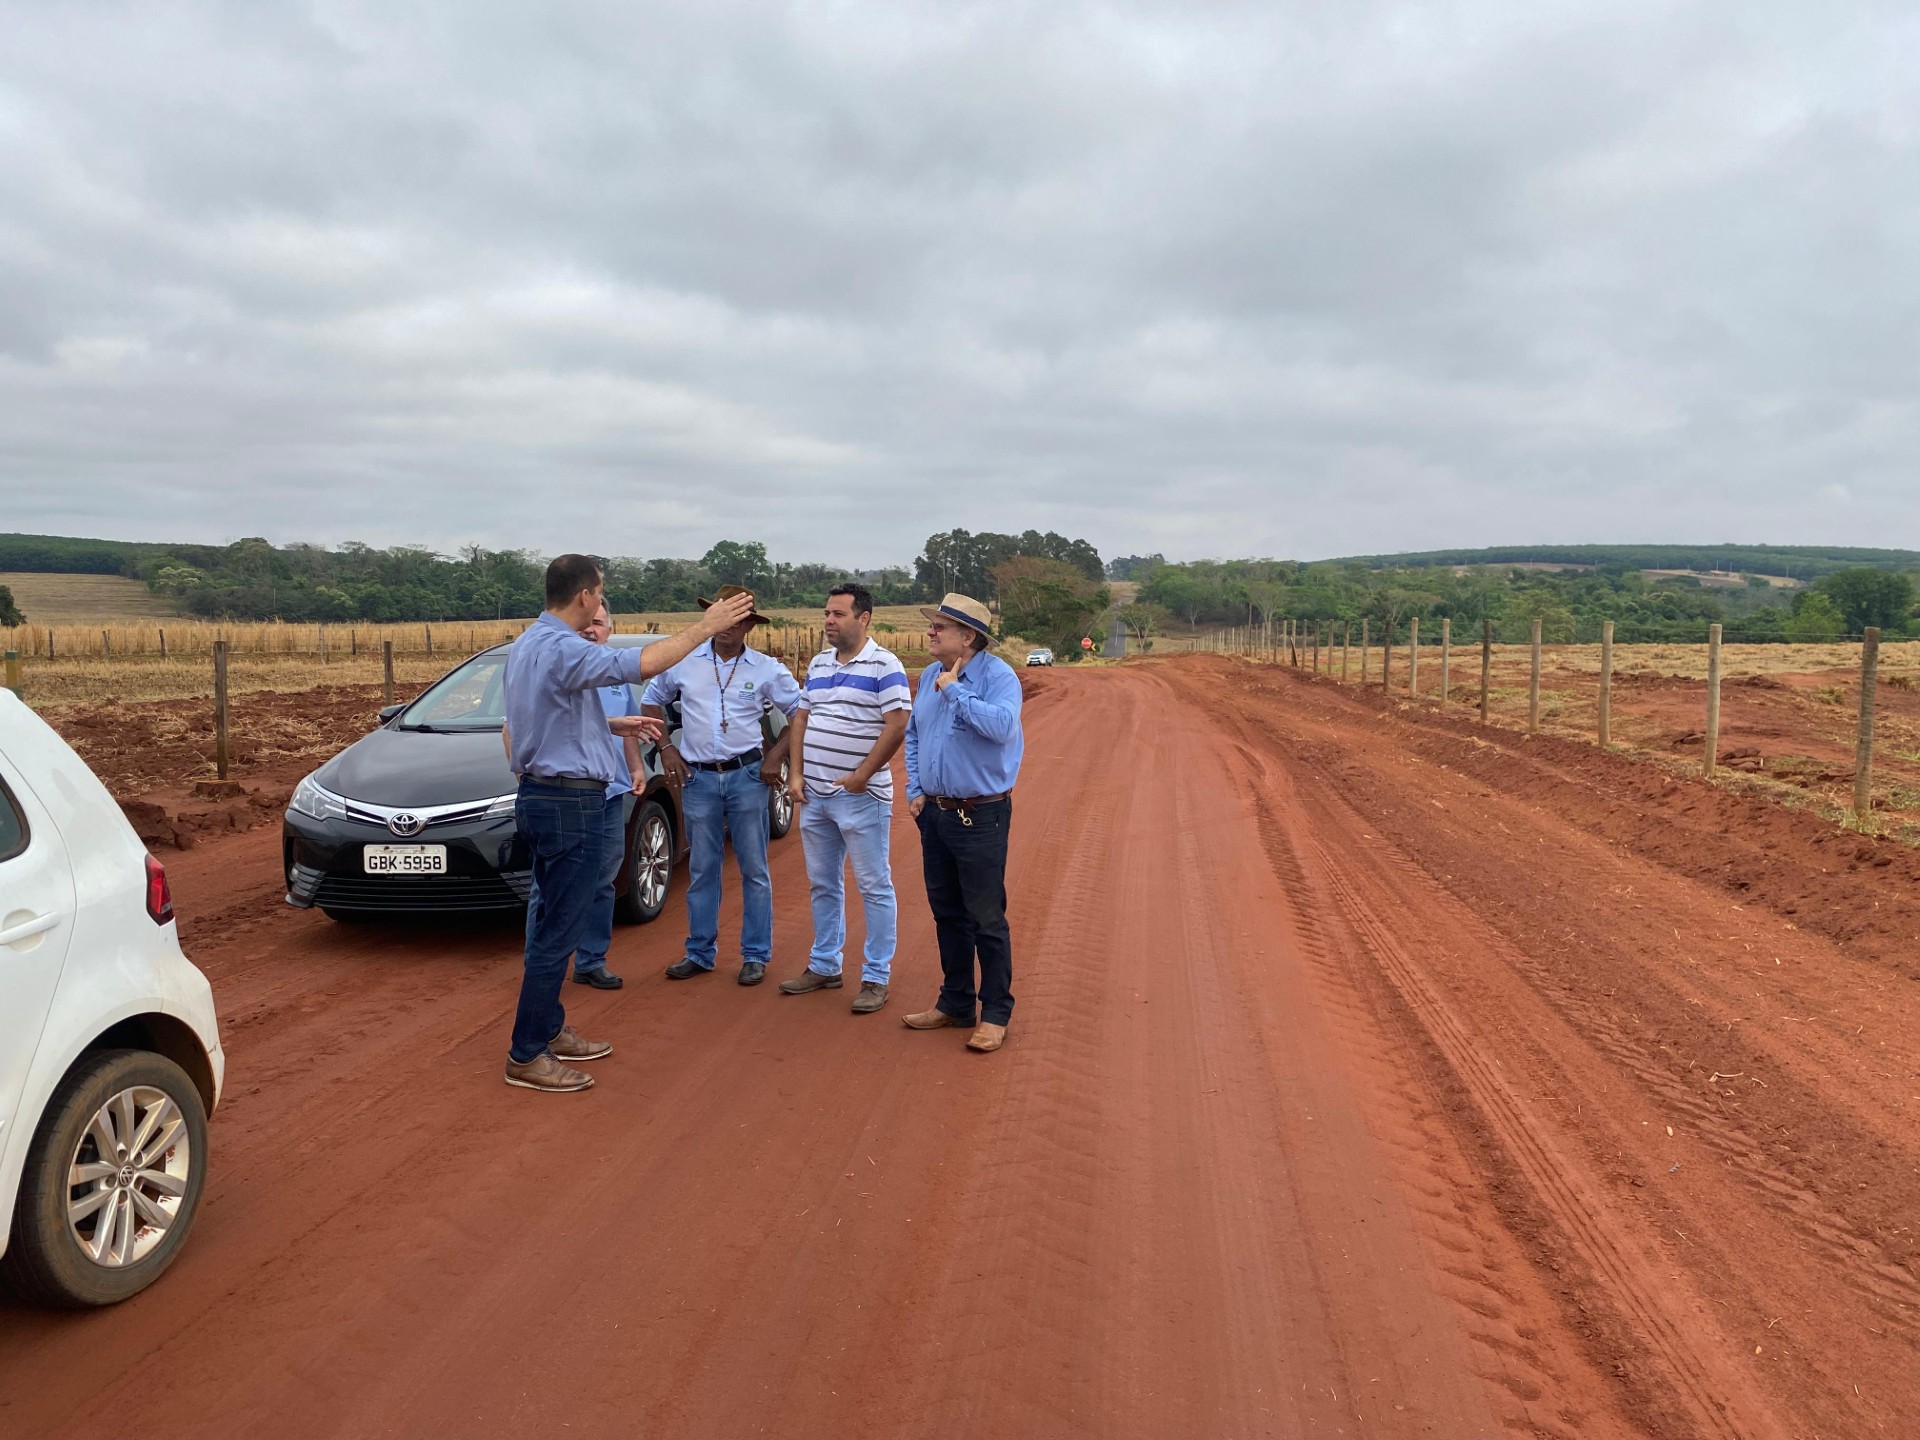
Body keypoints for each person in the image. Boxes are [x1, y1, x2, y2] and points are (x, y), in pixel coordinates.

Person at [501, 555, 753, 1094]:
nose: (599, 601)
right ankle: (526, 1052)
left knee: (551, 918)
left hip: (546, 795)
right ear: (585, 595)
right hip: (567, 802)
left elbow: (546, 714)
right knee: (559, 927)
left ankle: (548, 1028)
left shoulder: (528, 644)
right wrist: (706, 627)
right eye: (599, 592)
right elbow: (640, 664)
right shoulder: (563, 646)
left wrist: (611, 722)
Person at [643, 585, 802, 986]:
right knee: (702, 869)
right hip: (697, 778)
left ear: (749, 625)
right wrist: (666, 748)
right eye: (721, 613)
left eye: (736, 618)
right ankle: (699, 952)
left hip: (747, 777)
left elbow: (801, 712)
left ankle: (755, 955)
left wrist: (776, 756)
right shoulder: (684, 661)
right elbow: (651, 700)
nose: (727, 625)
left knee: (754, 869)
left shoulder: (766, 669)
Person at [778, 583, 911, 1014]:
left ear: (863, 618)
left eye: (838, 614)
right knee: (823, 883)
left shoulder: (884, 664)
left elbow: (897, 724)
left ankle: (876, 976)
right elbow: (801, 719)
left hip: (861, 797)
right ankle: (824, 965)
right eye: (826, 613)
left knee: (874, 886)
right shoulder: (818, 663)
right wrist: (796, 774)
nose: (828, 621)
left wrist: (861, 775)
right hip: (815, 796)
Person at [901, 592, 1025, 1053]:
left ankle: (995, 1012)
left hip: (981, 813)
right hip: (935, 813)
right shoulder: (928, 676)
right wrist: (916, 790)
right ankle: (955, 1002)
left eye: (940, 627)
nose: (930, 632)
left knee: (985, 917)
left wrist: (955, 690)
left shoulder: (998, 677)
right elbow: (915, 734)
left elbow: (1002, 727)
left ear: (968, 636)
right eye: (932, 625)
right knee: (947, 912)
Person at [570, 602, 648, 990]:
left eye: (598, 623)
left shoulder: (617, 677)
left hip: (611, 793)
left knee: (603, 879)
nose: (590, 629)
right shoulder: (560, 670)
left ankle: (590, 960)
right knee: (553, 882)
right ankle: (544, 962)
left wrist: (635, 767)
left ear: (608, 631)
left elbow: (629, 727)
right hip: (568, 796)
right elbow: (513, 728)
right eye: (585, 622)